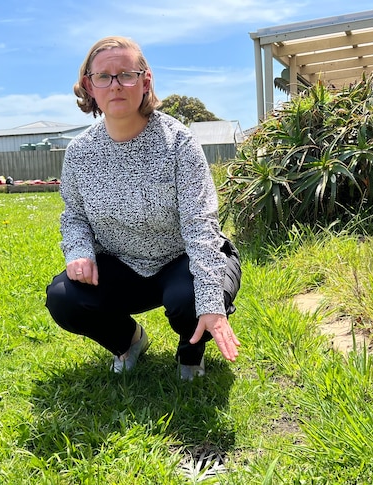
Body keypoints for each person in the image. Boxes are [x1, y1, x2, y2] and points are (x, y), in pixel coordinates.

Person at [44, 36, 241, 381]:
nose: (115, 85)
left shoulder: (178, 142)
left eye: (127, 74)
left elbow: (200, 225)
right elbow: (73, 214)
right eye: (104, 76)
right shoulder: (79, 152)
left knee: (192, 300)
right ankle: (129, 341)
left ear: (145, 80)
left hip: (182, 260)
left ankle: (191, 351)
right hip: (122, 265)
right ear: (89, 86)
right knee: (63, 298)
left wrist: (211, 304)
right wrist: (78, 251)